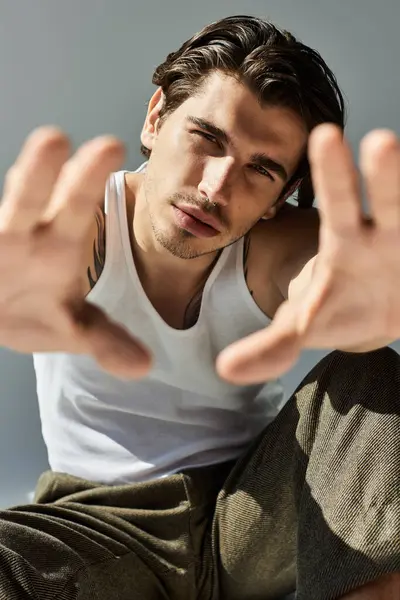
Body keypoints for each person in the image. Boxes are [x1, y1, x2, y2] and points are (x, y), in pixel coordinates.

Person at [0, 13, 399, 600]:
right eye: (207, 138)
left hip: (249, 516)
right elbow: (56, 258)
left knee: (373, 370)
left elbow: (321, 268)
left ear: (279, 199)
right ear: (157, 117)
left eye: (260, 170)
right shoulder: (85, 223)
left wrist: (366, 303)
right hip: (96, 527)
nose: (216, 187)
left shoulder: (272, 246)